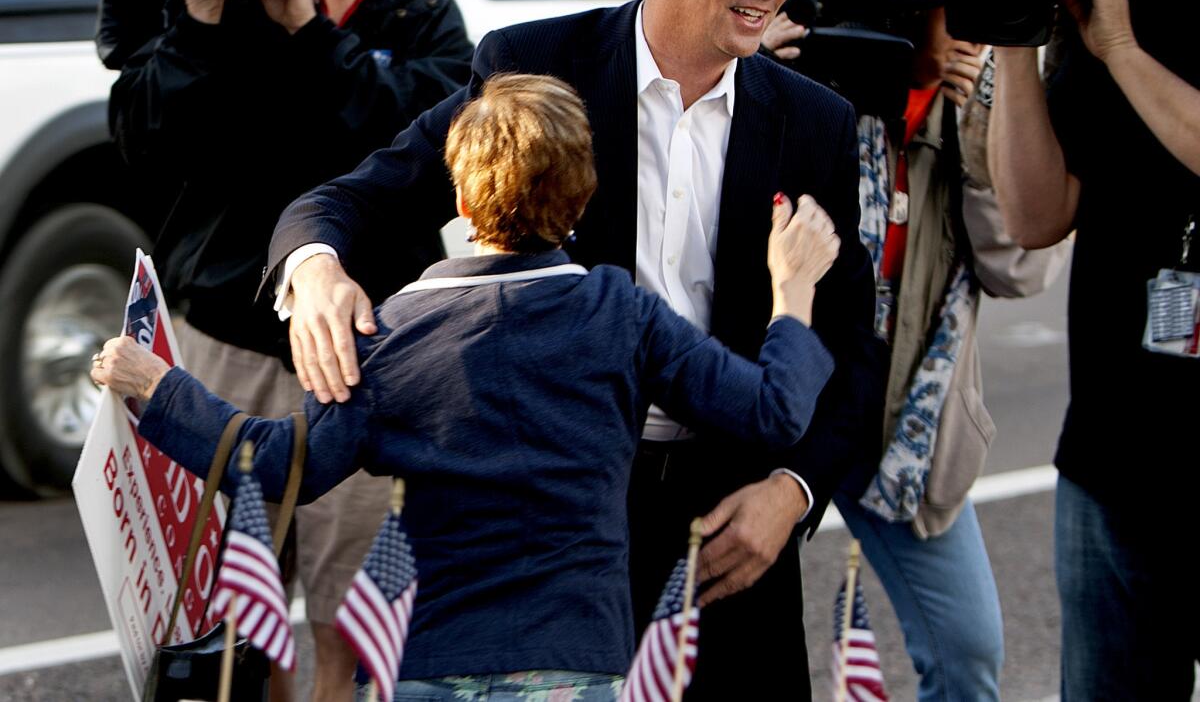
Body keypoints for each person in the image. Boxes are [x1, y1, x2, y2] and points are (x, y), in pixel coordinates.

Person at [266, 0, 883, 699]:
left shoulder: (817, 123)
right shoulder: (532, 70)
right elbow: (356, 202)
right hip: (559, 528)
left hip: (734, 527)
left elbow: (853, 343)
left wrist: (793, 489)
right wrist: (317, 270)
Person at [94, 71, 842, 699]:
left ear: (459, 197)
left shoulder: (390, 335)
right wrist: (793, 290)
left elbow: (284, 466)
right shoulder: (622, 313)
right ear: (581, 201)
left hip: (424, 661)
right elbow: (772, 413)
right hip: (574, 660)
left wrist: (160, 388)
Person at [107, 0, 473, 701]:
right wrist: (196, 13)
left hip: (368, 359)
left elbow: (406, 151)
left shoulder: (426, 20)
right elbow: (142, 142)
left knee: (351, 628)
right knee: (239, 630)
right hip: (227, 346)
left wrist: (309, 30)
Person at [765, 0, 1069, 701]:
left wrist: (982, 134)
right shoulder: (820, 89)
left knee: (968, 653)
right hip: (785, 408)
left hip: (904, 433)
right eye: (955, 8)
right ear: (908, 5)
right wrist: (752, 80)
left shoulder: (981, 112)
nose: (973, 33)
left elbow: (1017, 270)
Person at [989, 0, 1200, 700]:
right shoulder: (1124, 12)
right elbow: (1036, 216)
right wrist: (1016, 44)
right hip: (1113, 470)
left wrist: (1116, 47)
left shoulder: (1121, 37)